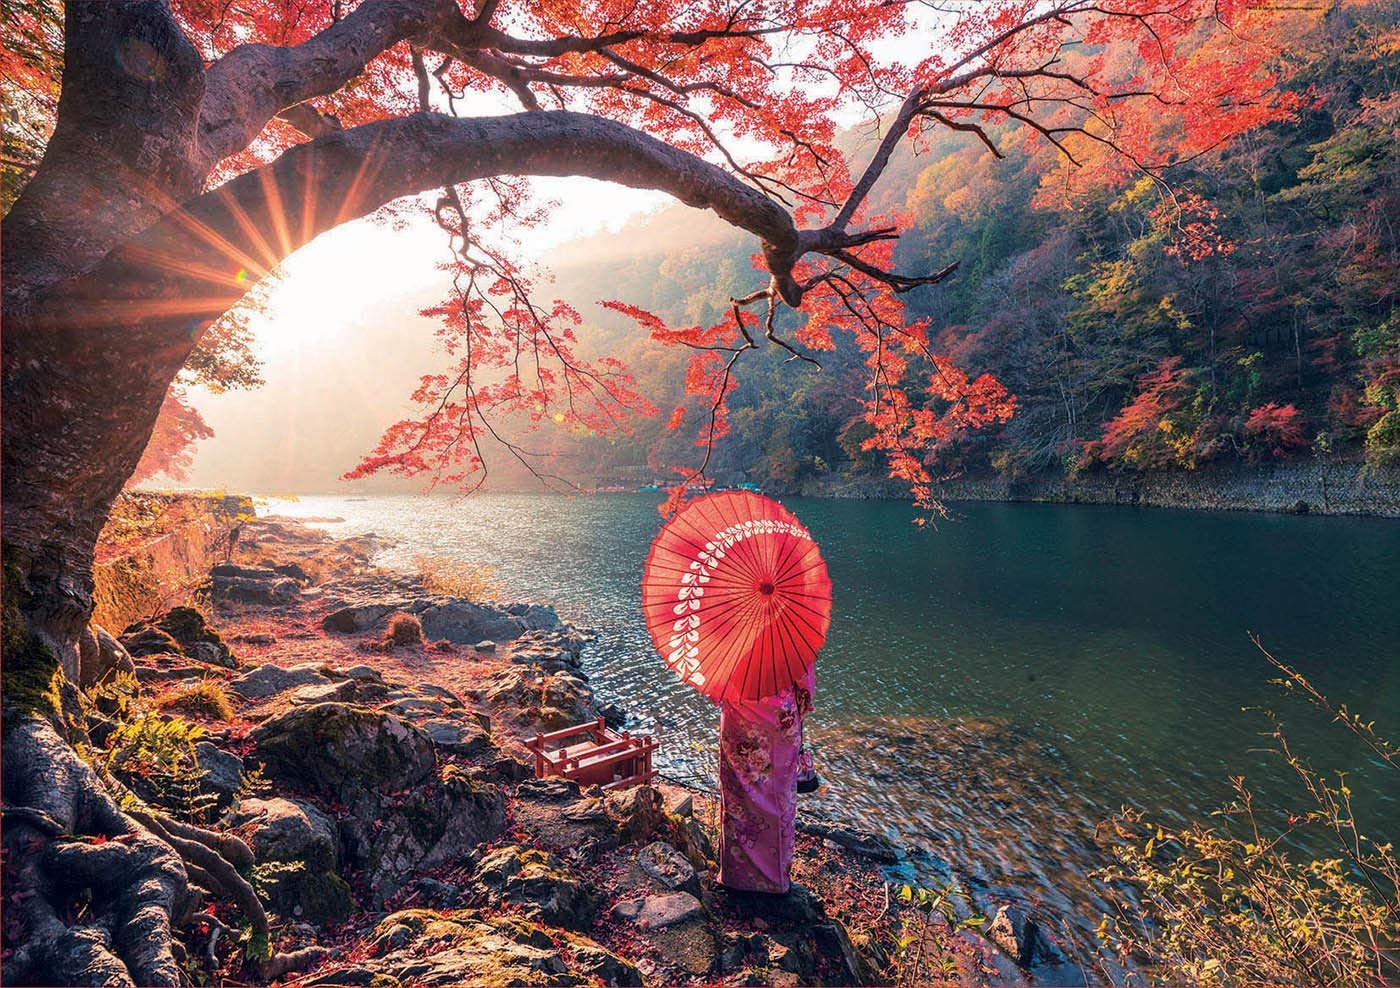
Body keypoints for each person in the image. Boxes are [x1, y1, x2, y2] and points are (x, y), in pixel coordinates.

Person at [716, 665, 815, 893]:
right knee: (777, 795)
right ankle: (774, 880)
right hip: (778, 719)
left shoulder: (732, 634)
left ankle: (734, 876)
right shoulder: (787, 636)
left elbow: (717, 676)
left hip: (737, 713)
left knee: (737, 795)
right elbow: (805, 688)